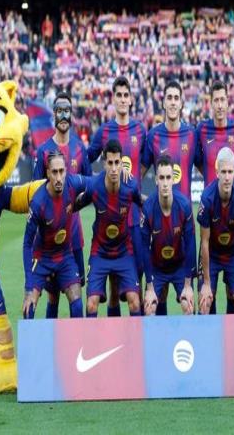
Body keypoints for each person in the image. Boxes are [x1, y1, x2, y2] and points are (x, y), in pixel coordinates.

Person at [141, 79, 201, 314]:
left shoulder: (192, 134)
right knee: (157, 299)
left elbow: (207, 169)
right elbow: (140, 173)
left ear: (182, 103)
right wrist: (140, 200)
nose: (173, 102)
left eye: (177, 98)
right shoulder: (153, 136)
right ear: (163, 102)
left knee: (188, 301)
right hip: (159, 221)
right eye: (169, 98)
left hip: (182, 225)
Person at [88, 76, 146, 317]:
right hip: (111, 219)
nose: (122, 99)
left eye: (126, 95)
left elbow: (147, 162)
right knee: (112, 286)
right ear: (114, 99)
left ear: (131, 99)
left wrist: (131, 183)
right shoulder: (104, 131)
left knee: (136, 285)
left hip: (134, 221)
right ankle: (115, 337)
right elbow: (87, 159)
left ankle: (138, 336)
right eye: (118, 95)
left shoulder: (140, 130)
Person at [33, 91, 91, 318]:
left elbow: (90, 187)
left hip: (74, 237)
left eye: (67, 111)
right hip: (49, 239)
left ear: (72, 114)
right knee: (53, 296)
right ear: (54, 115)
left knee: (76, 293)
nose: (64, 116)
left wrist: (76, 205)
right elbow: (35, 192)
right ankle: (51, 339)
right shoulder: (43, 151)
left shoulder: (80, 148)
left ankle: (78, 339)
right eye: (59, 111)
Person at [80, 140, 142, 317]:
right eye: (110, 163)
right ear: (104, 164)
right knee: (91, 305)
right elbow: (75, 205)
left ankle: (134, 336)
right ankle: (90, 336)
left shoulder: (130, 186)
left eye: (117, 163)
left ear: (122, 163)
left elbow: (145, 204)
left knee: (135, 302)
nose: (114, 168)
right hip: (100, 252)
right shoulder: (94, 186)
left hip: (124, 251)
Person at [22, 152, 87, 319]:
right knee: (29, 307)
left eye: (61, 171)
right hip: (42, 257)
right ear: (48, 173)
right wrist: (28, 286)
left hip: (65, 255)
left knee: (77, 303)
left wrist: (116, 174)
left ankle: (77, 337)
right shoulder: (38, 202)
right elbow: (27, 244)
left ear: (66, 171)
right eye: (54, 172)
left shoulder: (72, 183)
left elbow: (95, 183)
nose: (59, 177)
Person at [197, 147, 234, 315]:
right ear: (217, 173)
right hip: (212, 254)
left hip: (233, 253)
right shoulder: (207, 198)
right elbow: (204, 242)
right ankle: (208, 332)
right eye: (223, 172)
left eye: (230, 172)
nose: (227, 177)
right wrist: (206, 283)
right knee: (204, 303)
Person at [141, 155, 196, 315]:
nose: (165, 183)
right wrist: (149, 287)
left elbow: (191, 244)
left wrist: (188, 285)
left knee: (188, 306)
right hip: (157, 268)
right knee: (149, 309)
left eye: (168, 178)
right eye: (161, 178)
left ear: (173, 179)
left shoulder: (184, 205)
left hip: (180, 266)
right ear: (156, 180)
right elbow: (144, 248)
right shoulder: (148, 208)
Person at [196, 80, 234, 187]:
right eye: (216, 100)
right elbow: (198, 161)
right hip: (210, 195)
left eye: (222, 100)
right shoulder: (201, 129)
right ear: (211, 103)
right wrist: (210, 175)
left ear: (227, 102)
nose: (219, 105)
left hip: (233, 195)